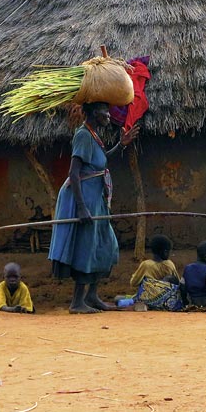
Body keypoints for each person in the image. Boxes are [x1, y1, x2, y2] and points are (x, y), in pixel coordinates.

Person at [48, 101, 138, 314]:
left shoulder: (94, 136)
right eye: (104, 110)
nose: (108, 114)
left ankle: (92, 295)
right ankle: (77, 302)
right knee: (86, 245)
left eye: (108, 109)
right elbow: (74, 173)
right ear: (90, 113)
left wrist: (121, 145)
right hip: (83, 197)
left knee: (106, 243)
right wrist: (81, 208)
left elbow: (101, 163)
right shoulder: (82, 135)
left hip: (96, 196)